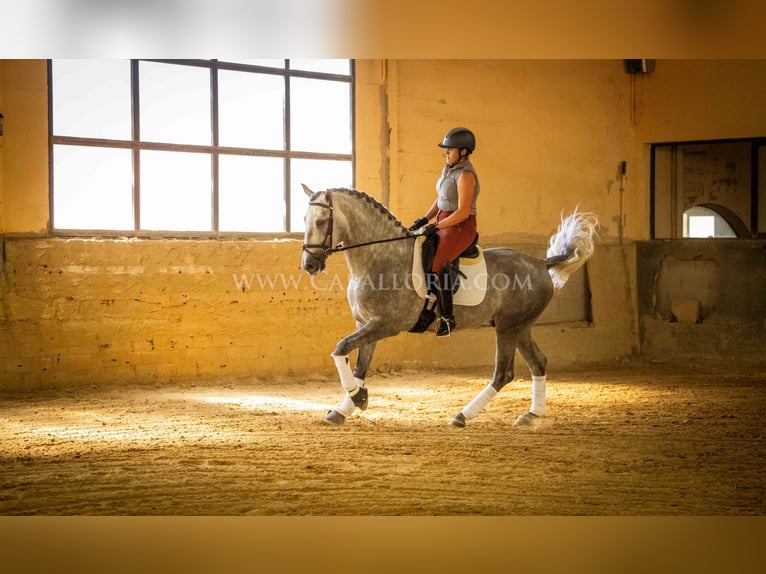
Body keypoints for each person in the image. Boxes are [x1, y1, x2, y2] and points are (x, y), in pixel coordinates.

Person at [409, 127, 480, 337]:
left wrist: (437, 226)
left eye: (450, 150)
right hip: (443, 220)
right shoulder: (448, 169)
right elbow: (440, 199)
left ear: (464, 151)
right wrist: (425, 218)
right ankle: (428, 301)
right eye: (446, 150)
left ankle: (448, 318)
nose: (446, 153)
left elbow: (463, 212)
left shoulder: (466, 175)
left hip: (460, 226)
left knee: (439, 263)